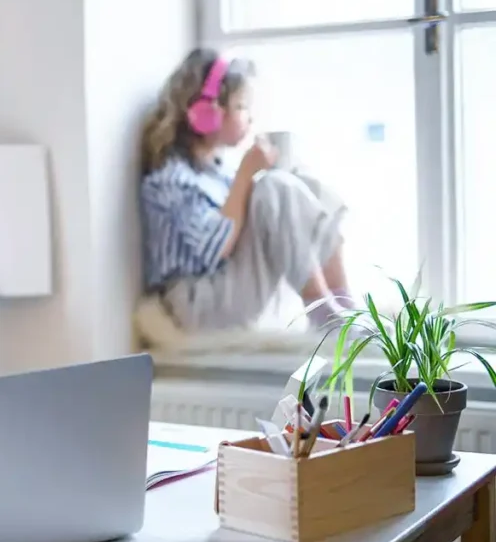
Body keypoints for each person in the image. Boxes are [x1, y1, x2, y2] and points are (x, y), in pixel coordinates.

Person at [139, 47, 358, 334]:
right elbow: (213, 249)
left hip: (225, 288)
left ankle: (345, 306)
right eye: (242, 107)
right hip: (199, 303)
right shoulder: (171, 179)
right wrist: (247, 174)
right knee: (272, 187)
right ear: (207, 113)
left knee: (304, 184)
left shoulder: (216, 172)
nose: (249, 118)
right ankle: (325, 317)